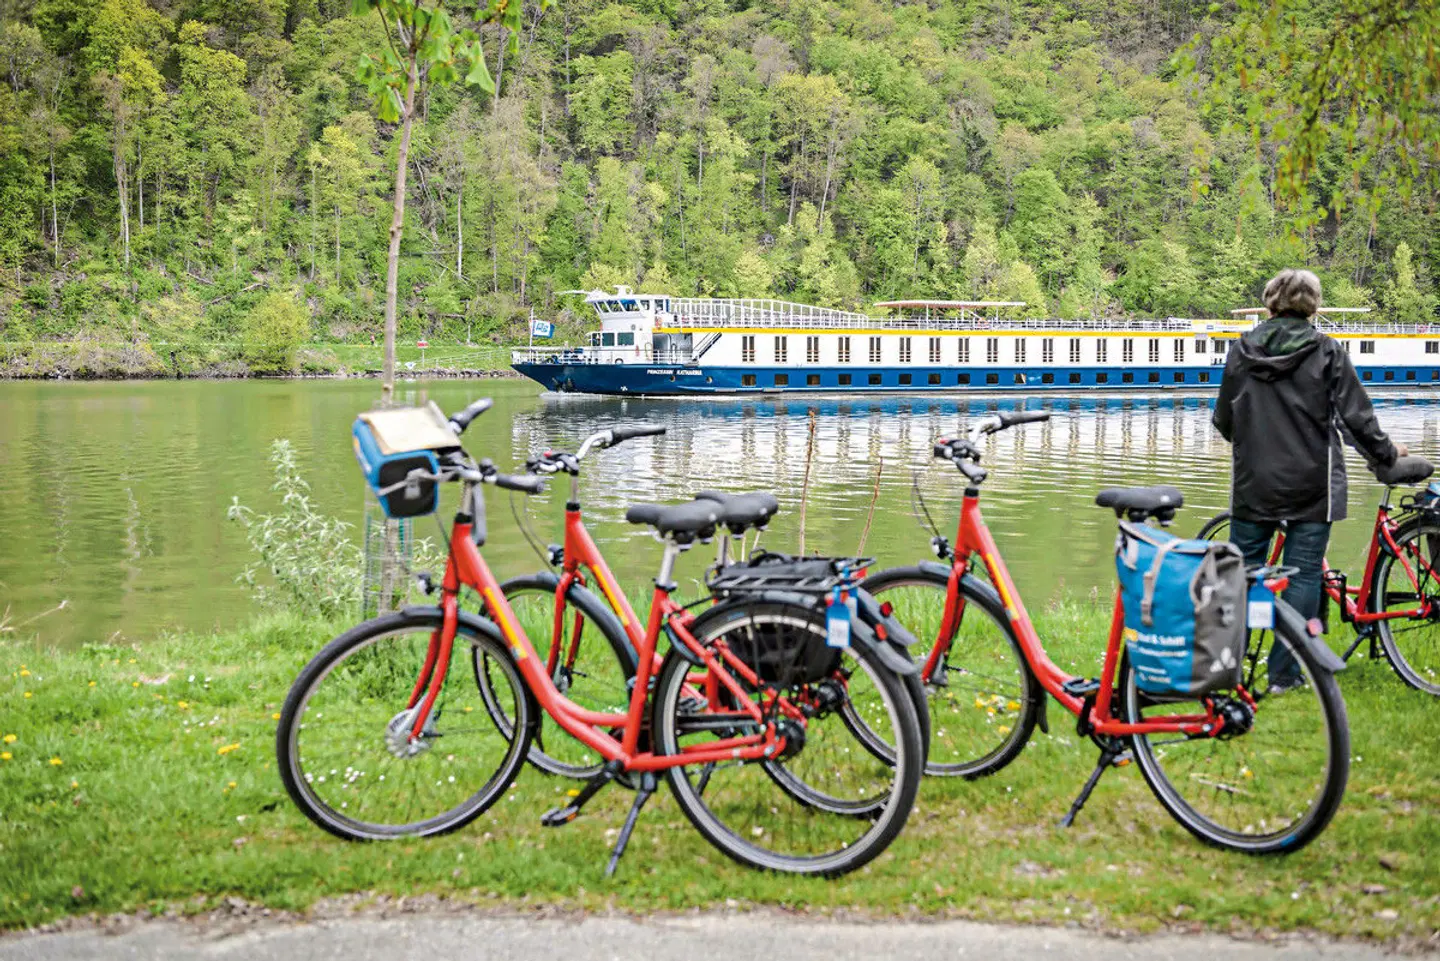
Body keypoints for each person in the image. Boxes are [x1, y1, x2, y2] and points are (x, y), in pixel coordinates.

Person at [1213, 268, 1407, 693]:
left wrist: (1253, 445)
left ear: (1269, 302)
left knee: (1245, 571)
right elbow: (1358, 418)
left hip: (1254, 483)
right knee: (1302, 577)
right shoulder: (1326, 351)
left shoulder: (1242, 349)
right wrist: (1387, 456)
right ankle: (1286, 675)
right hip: (1312, 483)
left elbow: (1223, 418)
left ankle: (1230, 667)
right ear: (1314, 306)